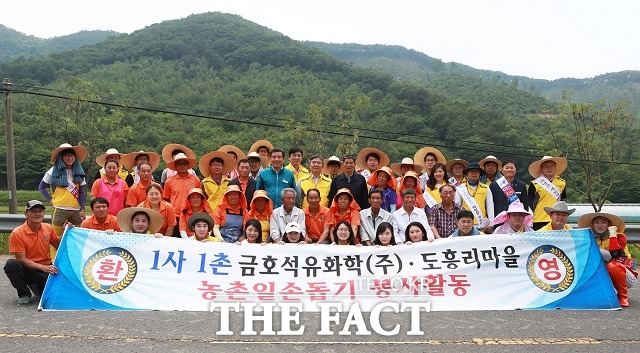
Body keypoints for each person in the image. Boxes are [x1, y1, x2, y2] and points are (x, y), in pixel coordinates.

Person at [4, 201, 60, 306]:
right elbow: (21, 259)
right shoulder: (17, 233)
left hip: (45, 268)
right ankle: (24, 294)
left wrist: (67, 231)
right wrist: (43, 268)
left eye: (40, 211)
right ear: (26, 214)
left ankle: (37, 287)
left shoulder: (48, 228)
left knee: (52, 292)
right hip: (28, 267)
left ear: (44, 213)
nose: (37, 214)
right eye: (33, 211)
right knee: (11, 264)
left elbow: (58, 245)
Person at [578, 212, 637, 307]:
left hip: (626, 274)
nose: (600, 225)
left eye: (603, 222)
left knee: (610, 263)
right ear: (593, 225)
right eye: (596, 222)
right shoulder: (590, 238)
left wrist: (612, 234)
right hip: (604, 273)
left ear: (609, 225)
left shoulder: (619, 236)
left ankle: (623, 296)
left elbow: (615, 254)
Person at [38, 143, 87, 238]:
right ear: (61, 157)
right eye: (66, 155)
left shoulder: (79, 172)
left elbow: (81, 192)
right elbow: (41, 187)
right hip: (59, 208)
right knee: (56, 236)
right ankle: (55, 254)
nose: (69, 158)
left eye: (71, 155)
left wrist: (83, 209)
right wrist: (50, 199)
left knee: (76, 237)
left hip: (75, 210)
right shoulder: (52, 171)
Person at [162, 152, 201, 235]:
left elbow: (199, 198)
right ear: (175, 166)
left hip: (191, 216)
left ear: (188, 165)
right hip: (175, 216)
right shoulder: (169, 181)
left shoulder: (195, 180)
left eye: (184, 163)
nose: (182, 166)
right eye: (179, 164)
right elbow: (166, 199)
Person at [528, 156, 568, 230]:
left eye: (552, 166)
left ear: (555, 168)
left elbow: (563, 200)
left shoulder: (562, 182)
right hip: (539, 219)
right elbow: (529, 203)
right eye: (546, 167)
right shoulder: (535, 183)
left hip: (557, 219)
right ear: (541, 168)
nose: (549, 168)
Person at [454, 162, 494, 233]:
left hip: (481, 224)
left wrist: (491, 223)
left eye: (476, 172)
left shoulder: (486, 187)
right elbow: (457, 206)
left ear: (479, 174)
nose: (474, 174)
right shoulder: (460, 188)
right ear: (467, 174)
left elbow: (490, 206)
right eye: (471, 172)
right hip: (465, 224)